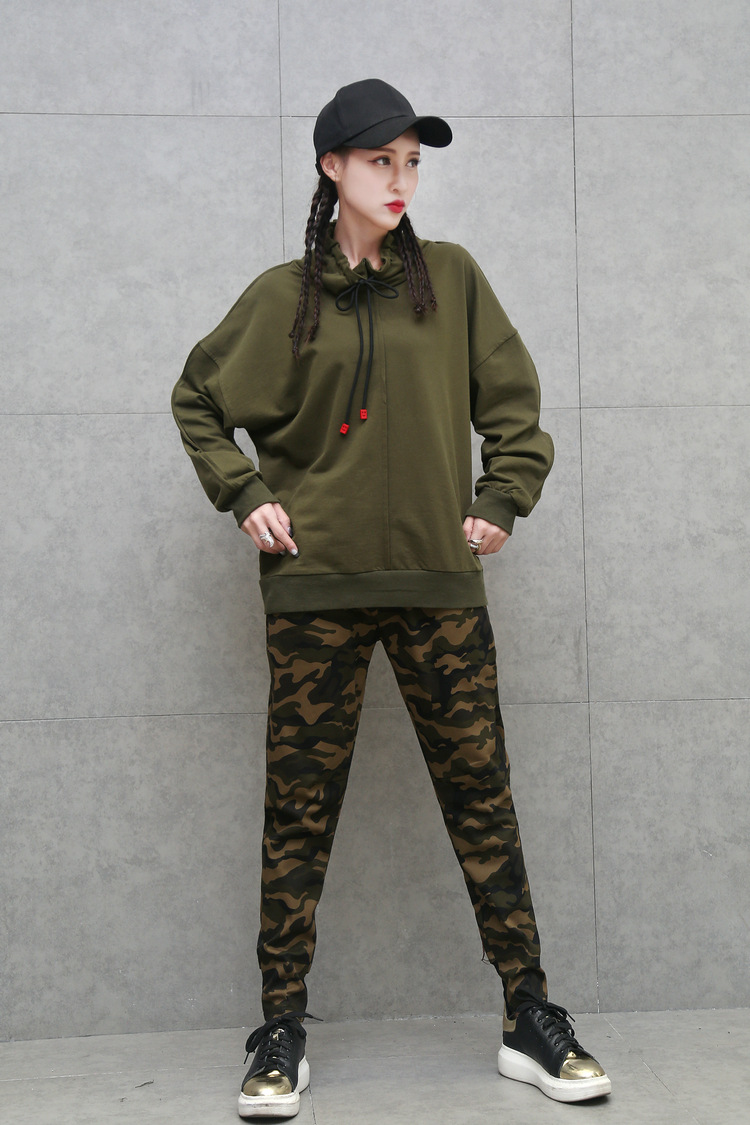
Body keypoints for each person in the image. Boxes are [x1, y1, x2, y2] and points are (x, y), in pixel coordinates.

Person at [172, 78, 611, 1118]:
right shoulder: (283, 298)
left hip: (436, 587)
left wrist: (502, 497)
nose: (401, 178)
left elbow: (516, 413)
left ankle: (529, 1015)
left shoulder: (450, 280)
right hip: (314, 592)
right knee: (299, 813)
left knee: (483, 798)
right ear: (332, 168)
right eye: (381, 160)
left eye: (413, 161)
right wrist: (245, 493)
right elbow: (199, 401)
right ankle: (280, 1029)